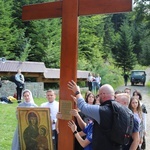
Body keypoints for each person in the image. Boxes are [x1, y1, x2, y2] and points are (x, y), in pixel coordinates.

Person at [68, 80, 122, 150]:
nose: (98, 97)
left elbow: (84, 107)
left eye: (99, 95)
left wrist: (77, 92)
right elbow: (85, 129)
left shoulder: (102, 112)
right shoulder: (114, 110)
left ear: (103, 94)